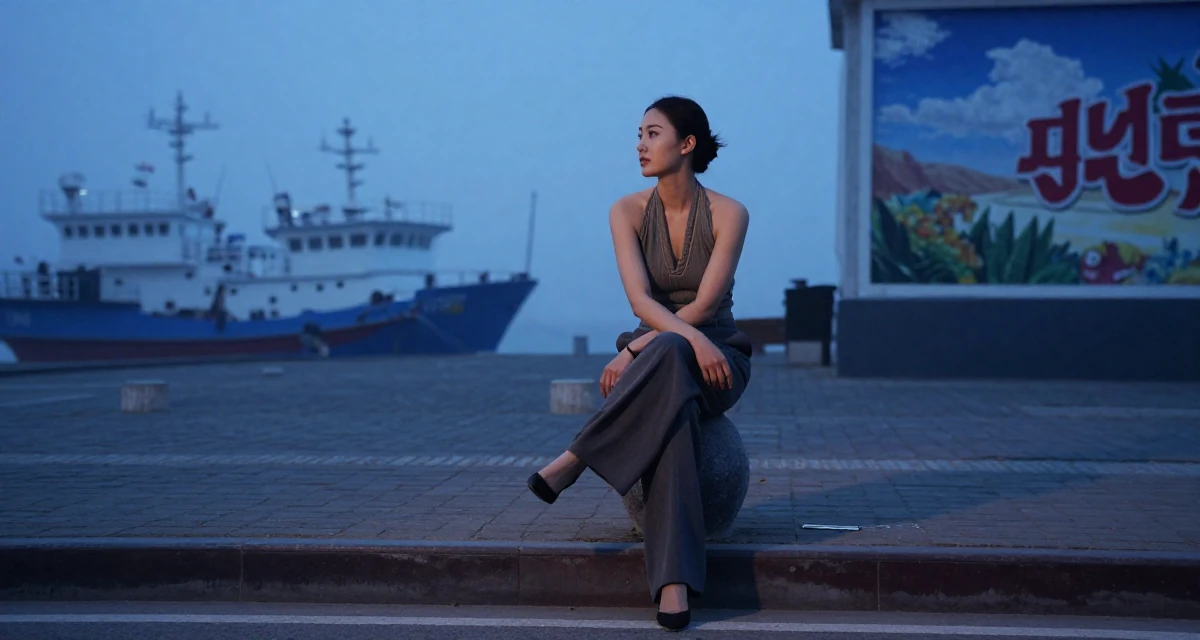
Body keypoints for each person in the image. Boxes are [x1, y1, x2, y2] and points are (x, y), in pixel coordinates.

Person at [526, 95, 752, 631]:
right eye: (639, 134)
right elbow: (640, 303)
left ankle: (577, 458)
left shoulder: (729, 212)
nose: (640, 145)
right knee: (674, 414)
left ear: (686, 144)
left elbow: (703, 307)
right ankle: (673, 585)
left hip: (718, 357)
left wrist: (640, 348)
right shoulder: (626, 210)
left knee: (674, 347)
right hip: (664, 353)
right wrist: (649, 341)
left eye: (653, 134)